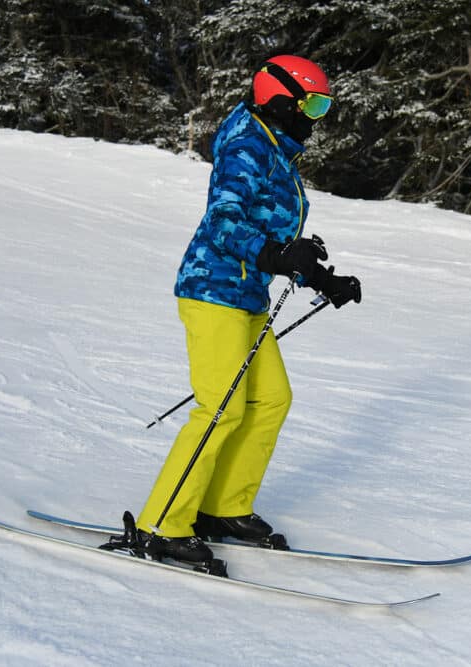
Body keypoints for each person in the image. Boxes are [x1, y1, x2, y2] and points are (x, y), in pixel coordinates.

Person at [133, 55, 362, 565]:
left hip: (246, 295)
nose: (316, 117)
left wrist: (321, 277)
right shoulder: (245, 146)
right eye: (314, 104)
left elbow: (273, 233)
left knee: (271, 399)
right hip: (212, 290)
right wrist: (279, 256)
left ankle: (222, 507)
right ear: (281, 97)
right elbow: (223, 222)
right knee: (221, 408)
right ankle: (162, 523)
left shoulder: (275, 149)